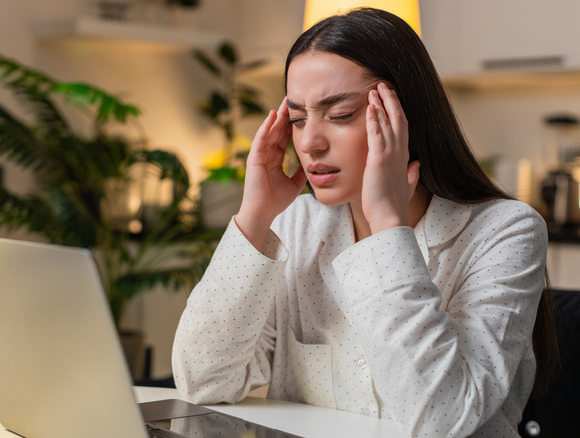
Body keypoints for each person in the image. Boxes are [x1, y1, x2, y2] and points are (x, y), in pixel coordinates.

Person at [172, 7, 558, 438]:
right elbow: (202, 382)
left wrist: (387, 224)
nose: (310, 143)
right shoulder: (297, 224)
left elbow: (440, 421)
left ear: (404, 116)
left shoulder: (506, 231)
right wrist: (254, 216)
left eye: (339, 115)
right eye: (298, 119)